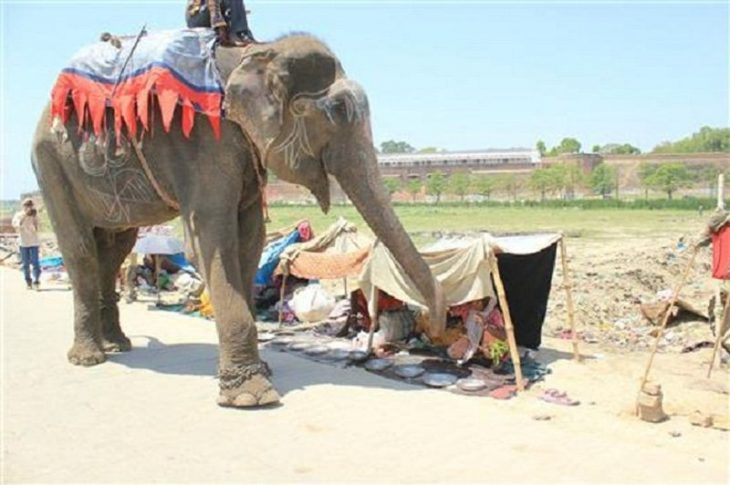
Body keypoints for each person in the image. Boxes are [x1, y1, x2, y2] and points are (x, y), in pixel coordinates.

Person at [186, 0, 255, 46]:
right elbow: (212, 2)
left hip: (206, 12)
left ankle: (244, 34)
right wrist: (220, 27)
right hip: (196, 16)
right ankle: (236, 35)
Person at [12, 198, 41, 290]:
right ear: (23, 206)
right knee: (25, 264)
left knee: (35, 263)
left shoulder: (35, 215)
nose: (28, 207)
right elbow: (16, 225)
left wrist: (34, 217)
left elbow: (37, 228)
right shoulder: (18, 215)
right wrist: (25, 215)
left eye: (30, 205)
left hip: (34, 242)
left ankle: (36, 280)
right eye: (26, 205)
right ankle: (28, 281)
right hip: (23, 243)